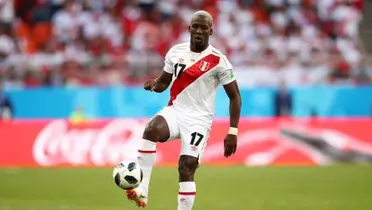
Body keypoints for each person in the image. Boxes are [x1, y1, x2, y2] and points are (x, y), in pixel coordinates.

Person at [126, 10, 242, 210]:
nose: (199, 31)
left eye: (203, 27)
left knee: (186, 166)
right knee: (151, 129)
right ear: (189, 29)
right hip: (176, 111)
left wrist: (232, 131)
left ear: (211, 31)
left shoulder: (219, 61)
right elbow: (163, 83)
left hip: (199, 120)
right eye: (195, 26)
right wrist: (154, 84)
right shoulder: (175, 52)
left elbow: (235, 97)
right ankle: (142, 188)